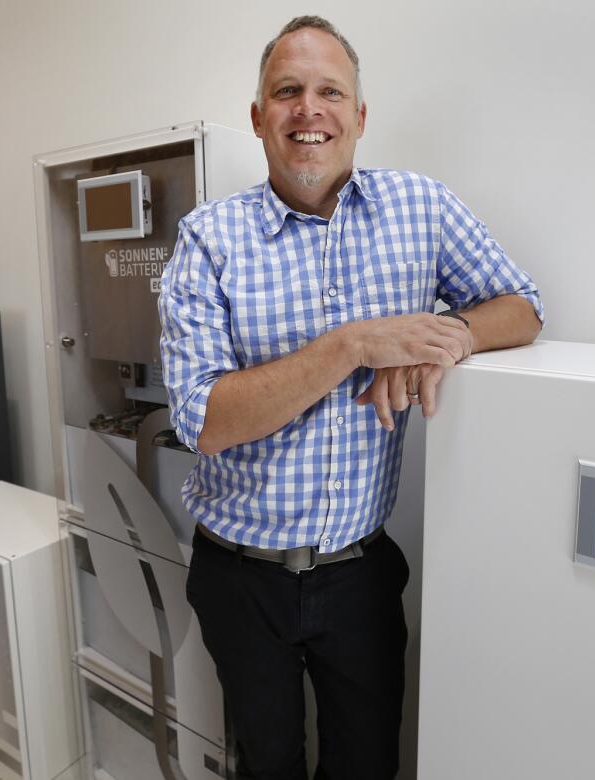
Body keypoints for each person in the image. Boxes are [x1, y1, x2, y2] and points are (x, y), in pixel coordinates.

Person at [158, 15, 542, 780]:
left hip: (359, 573)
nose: (310, 110)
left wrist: (449, 334)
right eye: (288, 91)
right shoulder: (208, 240)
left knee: (366, 766)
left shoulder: (421, 209)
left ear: (359, 116)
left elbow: (522, 307)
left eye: (330, 91)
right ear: (259, 115)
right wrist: (353, 346)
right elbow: (204, 420)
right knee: (266, 765)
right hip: (242, 578)